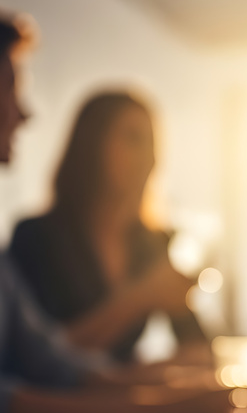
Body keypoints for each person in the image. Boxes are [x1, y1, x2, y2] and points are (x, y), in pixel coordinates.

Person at [0, 11, 247, 413]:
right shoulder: (38, 240)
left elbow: (61, 363)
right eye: (11, 89)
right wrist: (168, 398)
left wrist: (183, 387)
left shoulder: (150, 242)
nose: (27, 112)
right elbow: (20, 392)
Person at [10, 91, 202, 362]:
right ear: (92, 146)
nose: (149, 157)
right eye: (133, 139)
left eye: (152, 143)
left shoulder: (150, 242)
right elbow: (37, 357)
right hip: (59, 403)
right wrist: (136, 299)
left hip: (119, 399)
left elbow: (198, 347)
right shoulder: (37, 238)